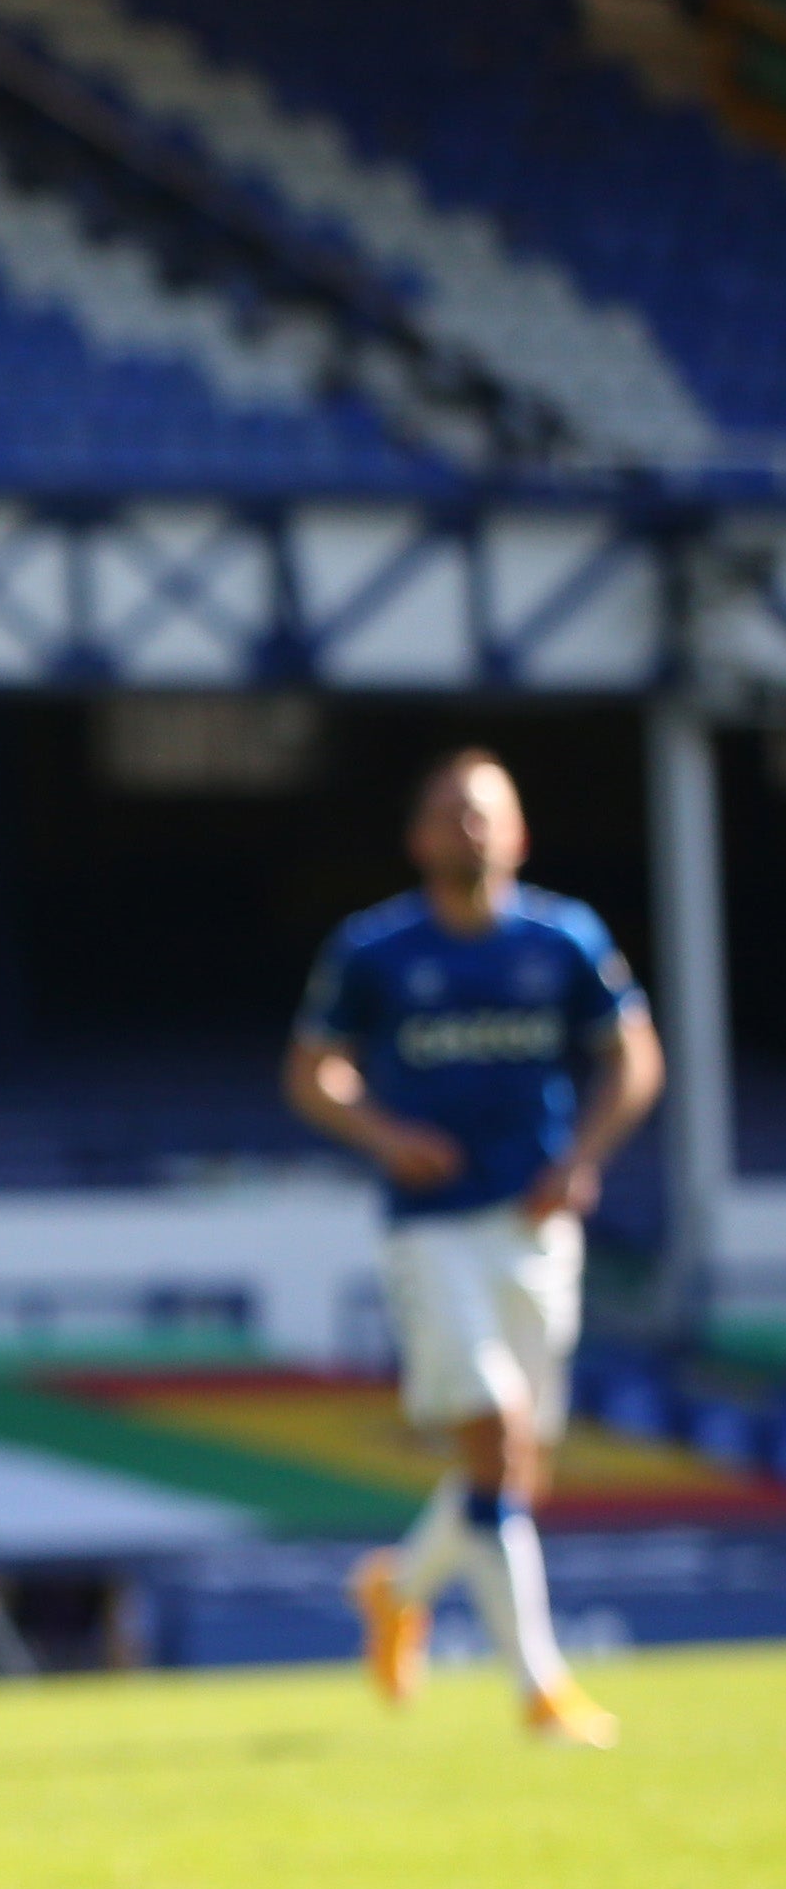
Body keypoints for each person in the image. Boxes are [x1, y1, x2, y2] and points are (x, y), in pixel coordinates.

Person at [287, 748, 659, 1750]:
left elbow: (633, 1058)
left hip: (535, 1226)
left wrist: (583, 1157)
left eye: (485, 811)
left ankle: (396, 1588)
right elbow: (311, 1072)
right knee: (495, 1434)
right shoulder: (375, 950)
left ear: (520, 832)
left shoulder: (564, 939)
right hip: (433, 1229)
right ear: (418, 839)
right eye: (451, 812)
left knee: (513, 1472)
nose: (470, 828)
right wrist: (383, 1134)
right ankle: (542, 1690)